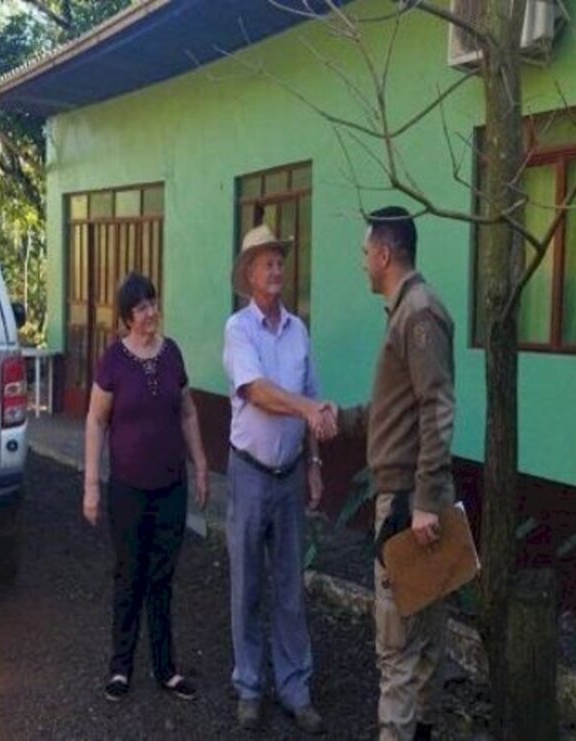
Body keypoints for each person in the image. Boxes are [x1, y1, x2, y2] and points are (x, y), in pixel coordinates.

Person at [335, 206, 456, 741]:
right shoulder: (405, 312)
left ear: (384, 254)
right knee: (424, 645)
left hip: (410, 506)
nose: (363, 264)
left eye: (365, 254)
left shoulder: (418, 314)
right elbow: (396, 411)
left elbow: (437, 407)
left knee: (399, 653)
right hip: (416, 500)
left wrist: (425, 501)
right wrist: (335, 420)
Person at [222, 224, 332, 734]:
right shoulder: (237, 330)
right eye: (267, 262)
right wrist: (308, 408)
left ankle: (294, 688)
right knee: (247, 586)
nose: (277, 270)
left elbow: (310, 402)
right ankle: (249, 686)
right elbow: (258, 392)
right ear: (248, 274)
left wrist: (314, 464)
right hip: (248, 474)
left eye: (280, 261)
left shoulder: (299, 331)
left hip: (289, 477)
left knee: (290, 588)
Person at [82, 272, 210, 703]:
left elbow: (188, 413)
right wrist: (90, 486)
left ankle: (166, 668)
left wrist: (202, 465)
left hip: (170, 487)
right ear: (125, 317)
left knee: (162, 577)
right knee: (129, 576)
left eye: (153, 303)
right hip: (128, 489)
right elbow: (96, 420)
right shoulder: (114, 360)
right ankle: (120, 668)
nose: (151, 312)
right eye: (140, 307)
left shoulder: (172, 354)